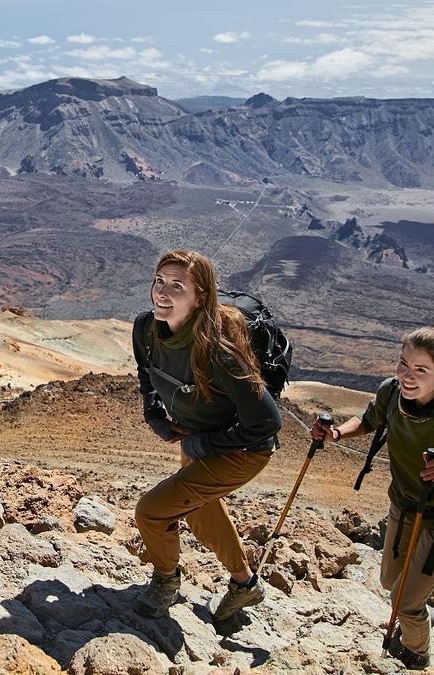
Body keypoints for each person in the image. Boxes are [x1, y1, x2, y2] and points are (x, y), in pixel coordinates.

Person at [311, 327, 434, 670]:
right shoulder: (392, 392)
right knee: (388, 582)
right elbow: (368, 420)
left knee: (403, 603)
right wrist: (336, 433)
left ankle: (417, 653)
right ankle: (421, 610)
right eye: (404, 364)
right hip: (406, 504)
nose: (407, 377)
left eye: (421, 370)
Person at [132, 249, 283, 620]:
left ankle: (165, 581)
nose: (162, 293)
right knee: (198, 513)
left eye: (177, 286)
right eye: (159, 282)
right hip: (199, 438)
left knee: (151, 512)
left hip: (242, 450)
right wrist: (154, 415)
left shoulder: (219, 350)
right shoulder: (146, 329)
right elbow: (146, 371)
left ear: (200, 298)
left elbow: (266, 423)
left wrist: (206, 444)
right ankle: (245, 585)